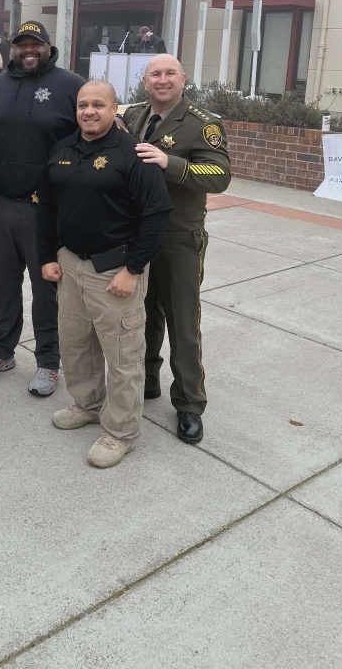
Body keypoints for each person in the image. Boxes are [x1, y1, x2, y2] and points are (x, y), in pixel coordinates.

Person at [37, 82, 171, 468]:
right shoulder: (63, 148)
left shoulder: (133, 154)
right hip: (71, 265)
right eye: (83, 105)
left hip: (115, 270)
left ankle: (122, 432)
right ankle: (89, 404)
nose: (89, 111)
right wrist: (49, 256)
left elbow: (156, 215)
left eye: (99, 104)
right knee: (76, 343)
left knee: (123, 355)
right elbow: (47, 207)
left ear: (115, 109)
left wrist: (133, 269)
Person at [0, 21, 84, 396]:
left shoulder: (71, 86)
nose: (29, 50)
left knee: (46, 288)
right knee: (3, 282)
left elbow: (93, 134)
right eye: (22, 45)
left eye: (36, 44)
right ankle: (1, 351)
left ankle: (49, 360)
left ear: (49, 48)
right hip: (1, 203)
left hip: (47, 209)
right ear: (12, 49)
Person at [122, 55, 231, 444]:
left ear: (183, 79)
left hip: (179, 237)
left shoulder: (203, 124)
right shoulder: (133, 115)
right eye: (155, 74)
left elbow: (220, 176)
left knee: (182, 322)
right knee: (143, 314)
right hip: (139, 236)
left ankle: (189, 403)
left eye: (170, 73)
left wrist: (171, 163)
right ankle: (147, 379)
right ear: (145, 80)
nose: (163, 80)